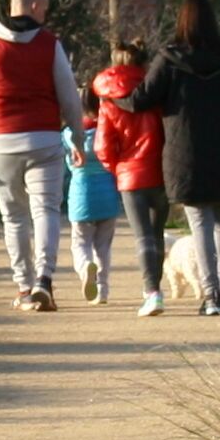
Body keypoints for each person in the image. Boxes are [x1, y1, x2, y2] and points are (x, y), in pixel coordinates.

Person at [124, 0, 220, 315]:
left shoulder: (169, 59)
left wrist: (112, 97)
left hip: (187, 155)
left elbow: (141, 99)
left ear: (181, 22)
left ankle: (210, 294)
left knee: (199, 221)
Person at [0, 0, 86, 311]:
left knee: (13, 218)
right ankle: (45, 278)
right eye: (44, 8)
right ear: (32, 7)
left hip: (0, 143)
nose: (46, 15)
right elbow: (69, 95)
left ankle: (24, 288)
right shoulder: (49, 44)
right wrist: (78, 136)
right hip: (43, 138)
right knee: (45, 211)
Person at [91, 36, 169, 316]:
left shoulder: (109, 101)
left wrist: (117, 168)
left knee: (142, 237)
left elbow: (102, 145)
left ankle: (152, 292)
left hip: (129, 175)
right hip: (160, 170)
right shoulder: (156, 90)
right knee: (157, 233)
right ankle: (155, 287)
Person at [65, 88, 122, 303]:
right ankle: (103, 291)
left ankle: (84, 268)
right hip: (108, 197)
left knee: (80, 244)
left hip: (81, 199)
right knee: (103, 247)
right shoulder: (108, 132)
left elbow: (68, 166)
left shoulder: (69, 135)